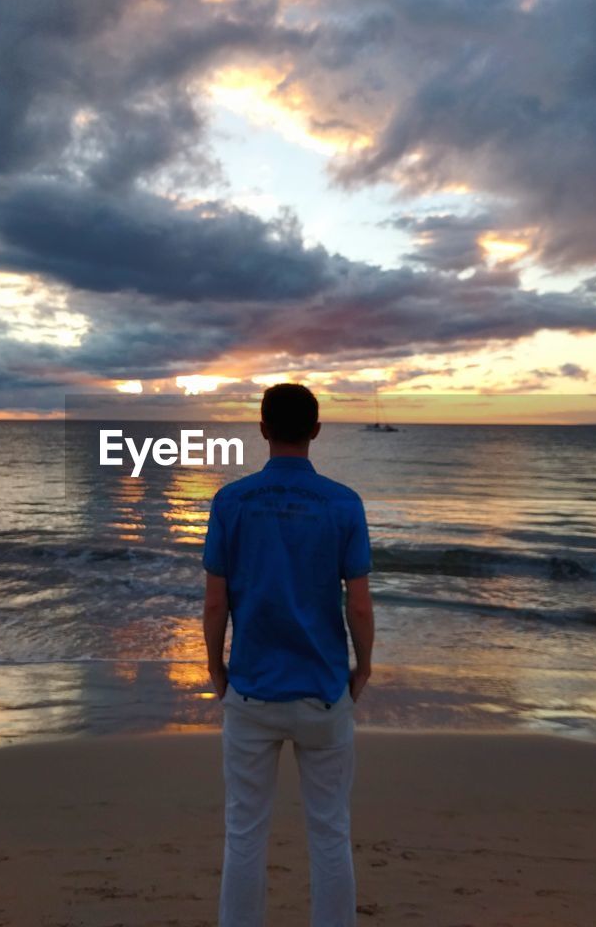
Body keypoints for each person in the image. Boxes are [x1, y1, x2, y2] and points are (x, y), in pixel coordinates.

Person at [202, 382, 375, 927]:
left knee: (244, 831)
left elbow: (215, 602)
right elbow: (360, 607)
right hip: (323, 692)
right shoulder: (343, 504)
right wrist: (363, 667)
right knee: (330, 831)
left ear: (262, 429)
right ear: (316, 431)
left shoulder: (231, 501)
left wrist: (215, 668)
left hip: (251, 689)